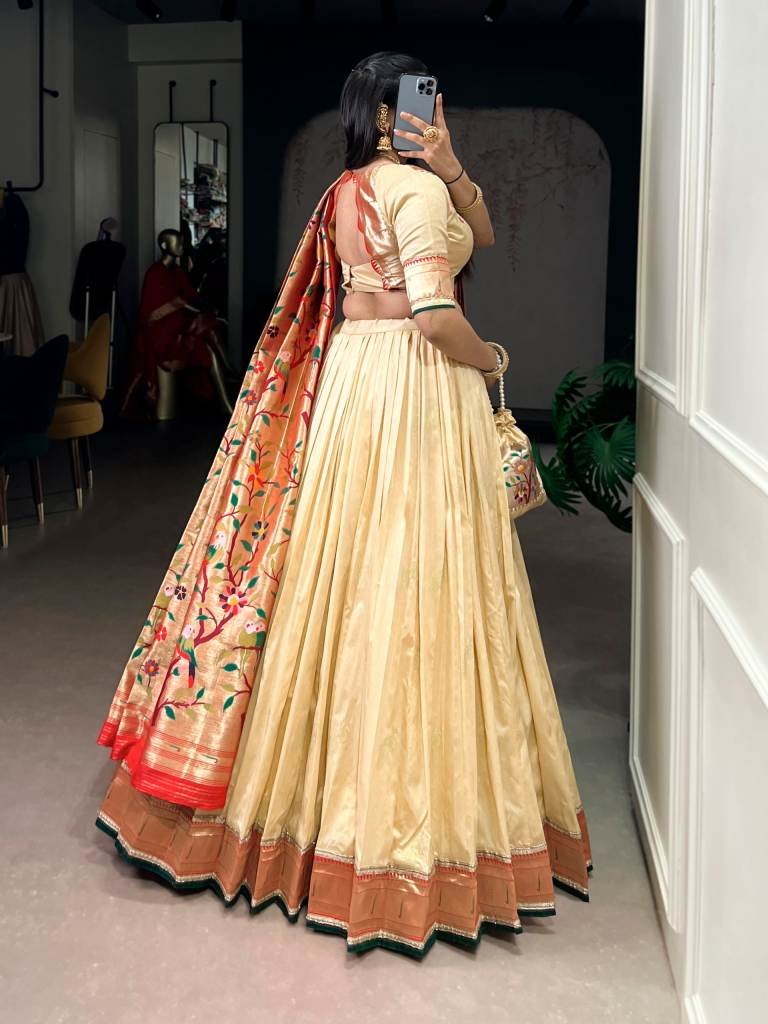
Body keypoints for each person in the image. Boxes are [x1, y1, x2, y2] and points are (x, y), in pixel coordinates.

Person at [95, 51, 592, 958]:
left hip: (354, 381)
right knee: (416, 575)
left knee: (338, 571)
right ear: (390, 112)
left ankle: (297, 817)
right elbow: (436, 314)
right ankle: (390, 834)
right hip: (414, 382)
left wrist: (453, 166)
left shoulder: (344, 193)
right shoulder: (415, 195)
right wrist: (493, 362)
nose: (434, 111)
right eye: (422, 102)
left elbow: (478, 233)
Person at [120, 228, 229, 418]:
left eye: (181, 242)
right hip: (159, 333)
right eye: (177, 242)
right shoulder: (155, 272)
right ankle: (231, 370)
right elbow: (156, 311)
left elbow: (191, 296)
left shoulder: (177, 271)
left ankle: (227, 400)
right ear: (164, 245)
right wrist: (197, 310)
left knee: (207, 347)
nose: (181, 246)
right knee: (204, 324)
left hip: (177, 327)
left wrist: (208, 308)